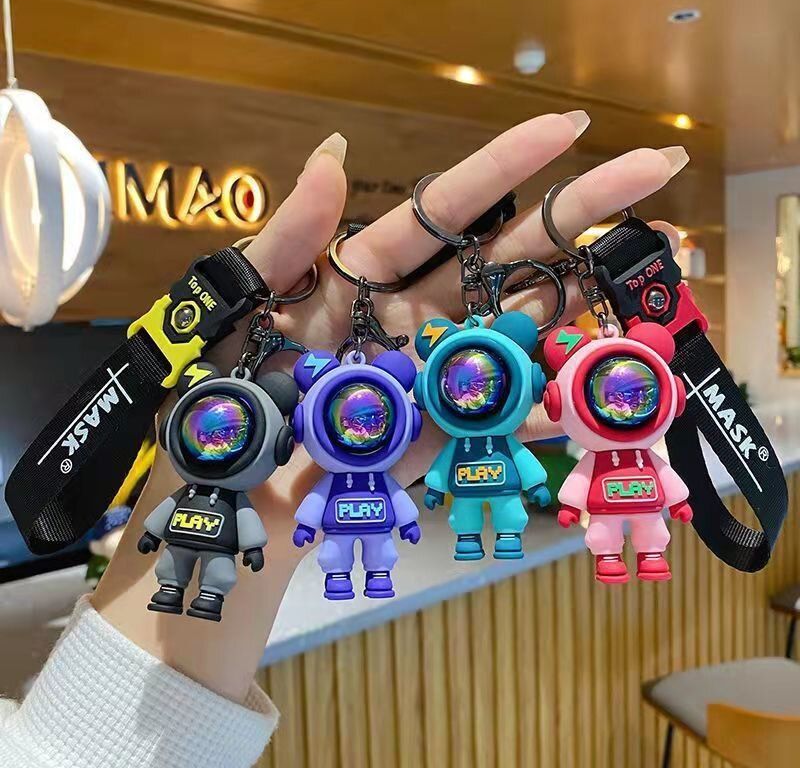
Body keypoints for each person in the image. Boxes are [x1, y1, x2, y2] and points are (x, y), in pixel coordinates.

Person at [0, 112, 687, 767]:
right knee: (334, 552)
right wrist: (240, 539)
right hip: (290, 501)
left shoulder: (426, 413)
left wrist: (527, 494)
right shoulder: (291, 448)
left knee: (468, 523)